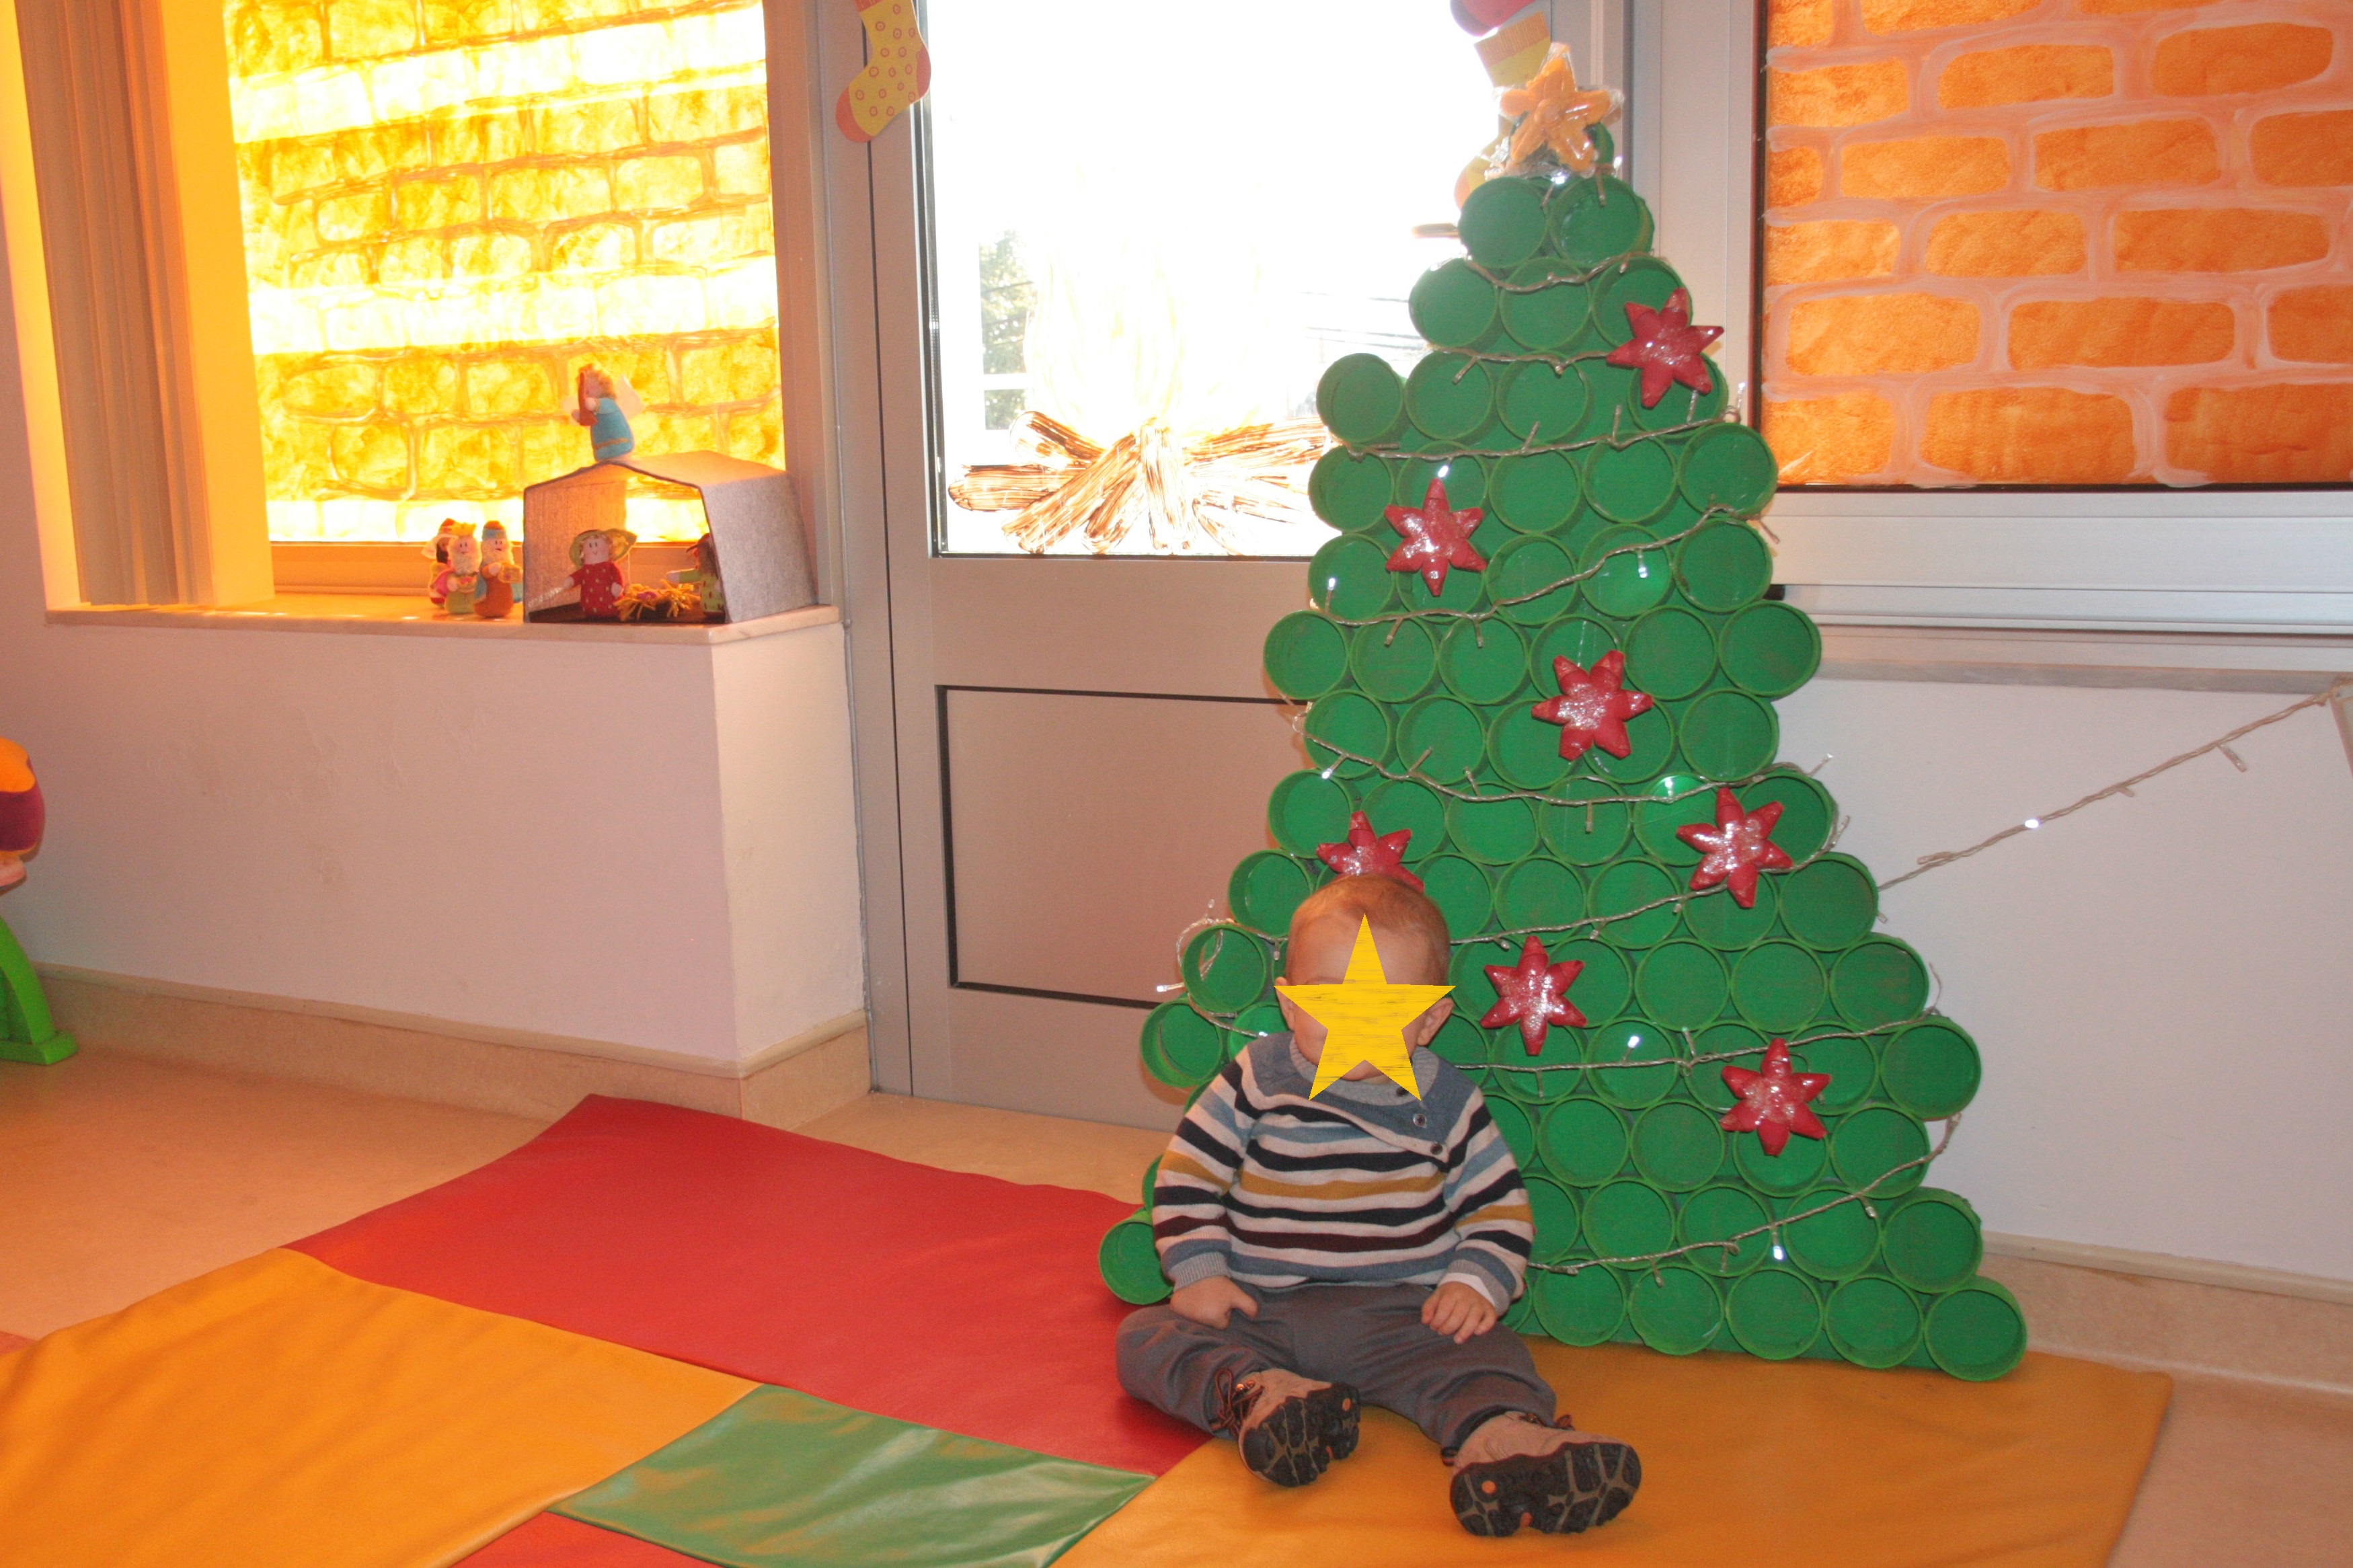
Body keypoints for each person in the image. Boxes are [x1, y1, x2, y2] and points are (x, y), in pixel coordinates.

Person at [1117, 874, 1642, 1538]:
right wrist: (1198, 1271)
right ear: (1289, 1003)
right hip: (1259, 1309)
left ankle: (1504, 1441)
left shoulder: (1447, 1102)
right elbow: (1189, 1173)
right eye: (1328, 997)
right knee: (1144, 1338)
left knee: (1491, 1357)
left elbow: (1497, 1208)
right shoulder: (1256, 1079)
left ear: (1429, 1019)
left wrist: (1473, 1282)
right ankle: (1265, 1397)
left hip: (1399, 1320)